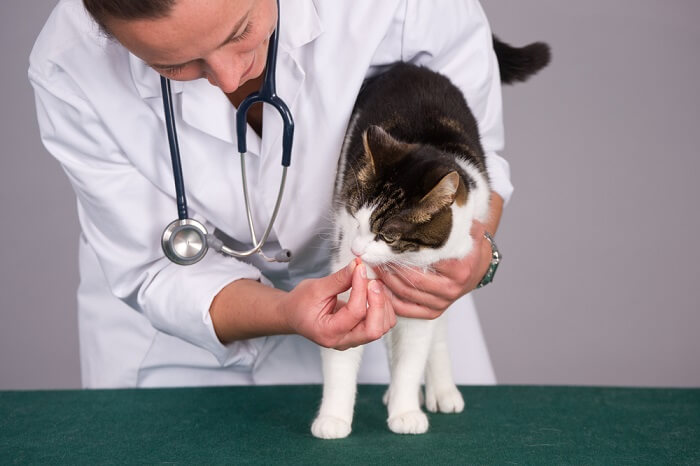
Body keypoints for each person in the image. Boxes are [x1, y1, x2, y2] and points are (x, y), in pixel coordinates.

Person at [29, 0, 513, 388]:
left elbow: (472, 161)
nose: (228, 77)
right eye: (174, 64)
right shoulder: (69, 64)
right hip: (176, 347)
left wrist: (475, 255)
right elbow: (149, 267)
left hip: (393, 297)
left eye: (240, 31)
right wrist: (285, 311)